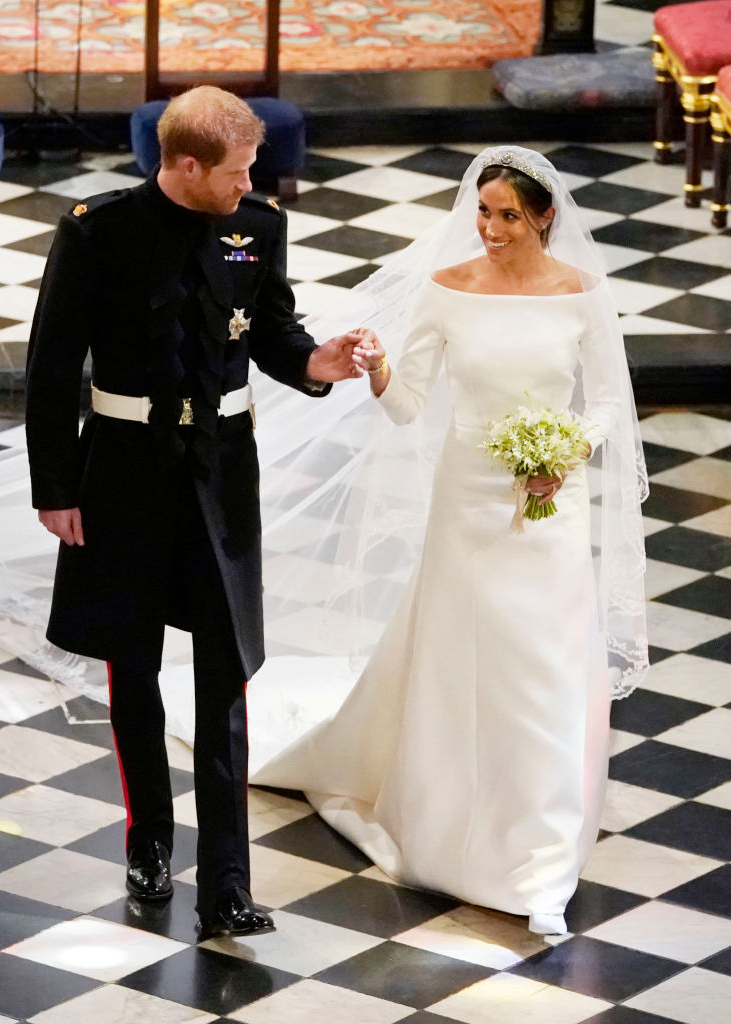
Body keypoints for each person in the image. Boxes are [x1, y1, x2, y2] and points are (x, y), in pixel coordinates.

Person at [244, 147, 649, 937]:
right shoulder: (447, 290)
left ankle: (538, 850)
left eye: (505, 216)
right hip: (467, 499)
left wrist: (566, 452)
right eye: (483, 213)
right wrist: (382, 368)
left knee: (544, 663)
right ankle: (453, 817)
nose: (489, 229)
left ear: (544, 219)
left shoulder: (582, 296)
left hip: (550, 503)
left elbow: (606, 402)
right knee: (467, 656)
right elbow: (408, 406)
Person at [24, 85, 366, 938]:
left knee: (227, 678)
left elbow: (274, 331)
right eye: (239, 172)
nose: (252, 186)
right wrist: (56, 488)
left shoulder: (259, 228)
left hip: (222, 477)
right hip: (123, 475)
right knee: (132, 666)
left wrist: (317, 363)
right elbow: (51, 363)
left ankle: (229, 884)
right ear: (184, 165)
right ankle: (148, 845)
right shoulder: (97, 231)